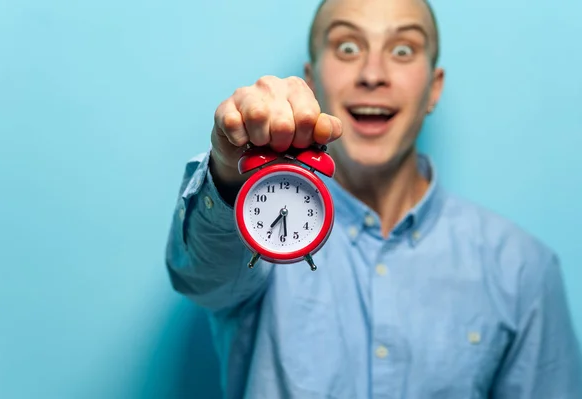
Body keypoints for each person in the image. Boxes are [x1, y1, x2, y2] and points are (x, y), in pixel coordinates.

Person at [165, 0, 582, 397]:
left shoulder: (522, 268)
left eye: (403, 49)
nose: (373, 73)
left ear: (434, 89)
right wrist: (227, 171)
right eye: (347, 47)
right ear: (312, 83)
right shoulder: (255, 242)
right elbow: (199, 278)